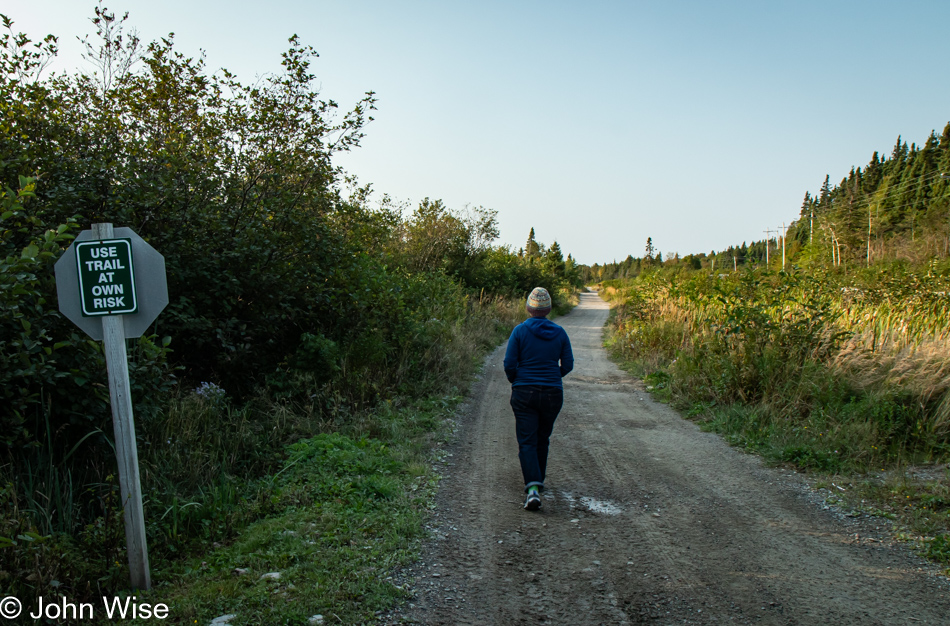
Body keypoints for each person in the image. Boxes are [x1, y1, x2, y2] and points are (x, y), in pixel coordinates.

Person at [503, 287, 574, 511]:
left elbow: (509, 364)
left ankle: (532, 490)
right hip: (553, 393)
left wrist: (517, 380)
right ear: (549, 309)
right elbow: (568, 365)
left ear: (528, 308)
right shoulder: (560, 333)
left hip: (525, 391)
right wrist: (554, 377)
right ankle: (538, 480)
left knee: (527, 440)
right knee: (542, 438)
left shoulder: (520, 331)